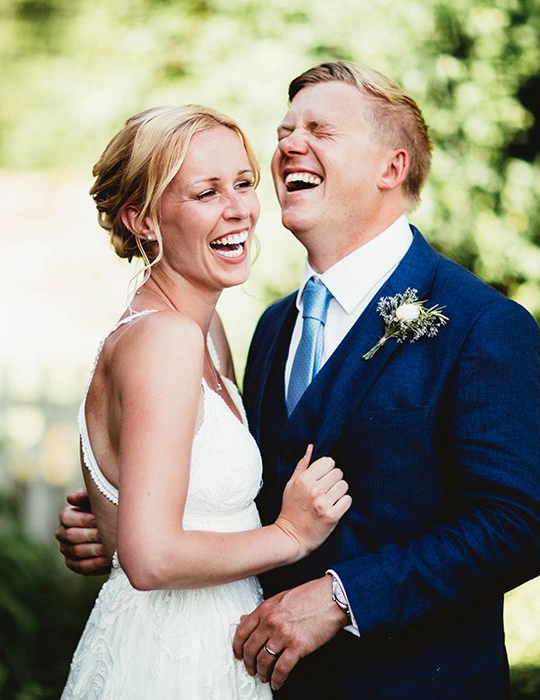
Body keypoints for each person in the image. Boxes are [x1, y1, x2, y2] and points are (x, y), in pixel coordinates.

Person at [58, 62, 540, 699]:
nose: (290, 143)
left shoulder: (483, 324)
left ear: (391, 168)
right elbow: (236, 502)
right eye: (286, 128)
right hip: (245, 675)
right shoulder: (270, 328)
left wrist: (343, 598)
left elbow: (514, 527)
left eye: (321, 129)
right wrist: (121, 521)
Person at [59, 104, 351, 699]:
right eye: (206, 192)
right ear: (141, 220)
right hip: (173, 660)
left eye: (243, 183)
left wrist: (105, 527)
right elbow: (149, 558)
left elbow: (141, 528)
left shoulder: (203, 333)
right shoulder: (164, 340)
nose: (239, 208)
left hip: (221, 644)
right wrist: (291, 534)